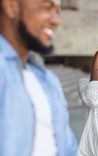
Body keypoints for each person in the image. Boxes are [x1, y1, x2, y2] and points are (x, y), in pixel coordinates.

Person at [0, 0, 77, 156]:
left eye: (58, 11)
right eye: (46, 7)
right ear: (11, 6)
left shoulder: (49, 81)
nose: (56, 21)